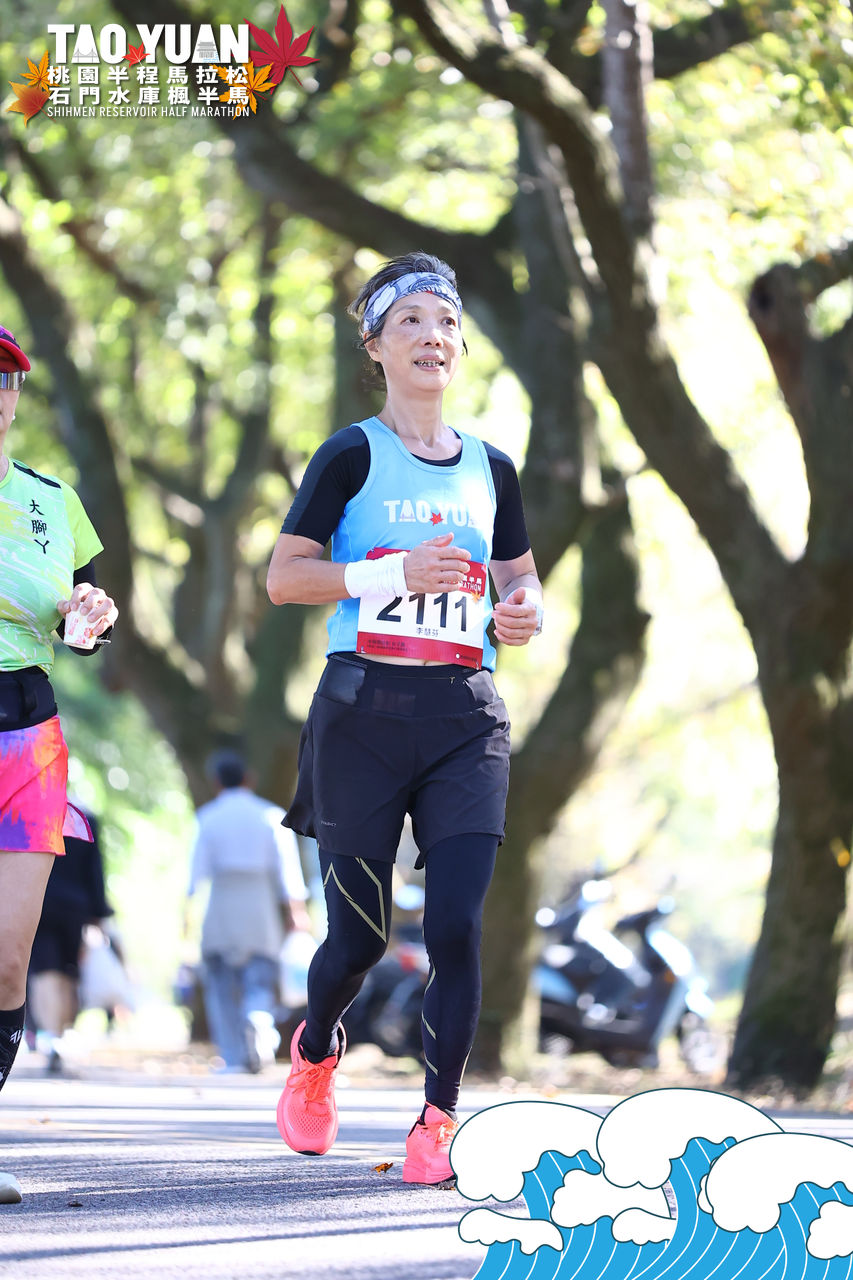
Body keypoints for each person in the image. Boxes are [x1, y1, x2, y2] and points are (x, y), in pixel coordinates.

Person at [266, 252, 543, 1184]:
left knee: (457, 926)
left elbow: (518, 577)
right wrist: (388, 573)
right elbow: (284, 577)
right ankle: (315, 1051)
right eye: (411, 322)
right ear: (376, 347)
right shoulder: (350, 454)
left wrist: (524, 612)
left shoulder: (493, 468)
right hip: (363, 716)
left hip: (465, 715)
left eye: (447, 322)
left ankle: (438, 1120)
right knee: (359, 938)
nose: (433, 337)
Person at [0, 325, 118, 1203]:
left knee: (9, 956)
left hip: (27, 729)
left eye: (5, 380)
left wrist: (90, 618)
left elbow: (84, 616)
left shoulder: (53, 500)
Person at [186, 750, 311, 1073]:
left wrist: (186, 913)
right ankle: (259, 1020)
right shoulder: (271, 816)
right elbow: (288, 872)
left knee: (220, 983)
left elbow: (194, 875)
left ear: (216, 782)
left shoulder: (208, 817)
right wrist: (296, 911)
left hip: (222, 903)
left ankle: (232, 1056)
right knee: (260, 977)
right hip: (259, 906)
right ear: (248, 779)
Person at [27, 810, 114, 1074]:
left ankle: (51, 1039)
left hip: (39, 903)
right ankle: (59, 1037)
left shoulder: (32, 813)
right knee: (68, 975)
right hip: (75, 909)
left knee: (44, 973)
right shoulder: (84, 819)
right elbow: (95, 870)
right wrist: (99, 912)